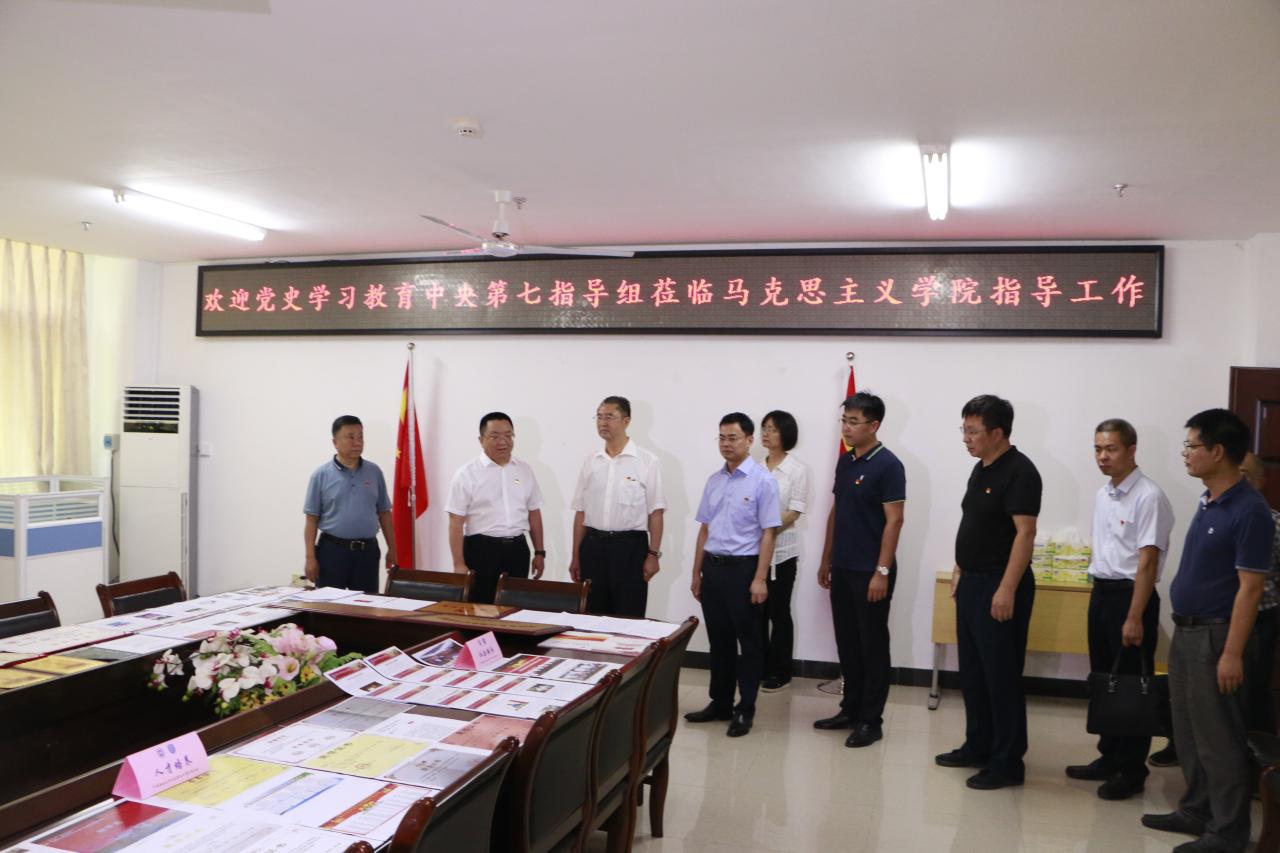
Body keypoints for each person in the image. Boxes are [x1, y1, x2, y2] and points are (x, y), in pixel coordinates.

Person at [1143, 409, 1275, 853]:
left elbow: (1251, 589)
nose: (1185, 453)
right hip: (1188, 632)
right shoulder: (1209, 499)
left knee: (1219, 738)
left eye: (1191, 445)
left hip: (1218, 637)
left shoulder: (1249, 510)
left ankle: (1227, 831)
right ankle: (1196, 809)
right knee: (1188, 732)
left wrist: (1232, 653)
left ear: (1217, 452)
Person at [935, 394, 1041, 790]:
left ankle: (1007, 762)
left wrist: (1007, 588)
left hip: (1000, 584)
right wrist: (960, 567)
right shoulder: (980, 469)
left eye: (973, 431)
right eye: (963, 429)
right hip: (973, 583)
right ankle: (978, 745)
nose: (966, 438)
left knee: (1001, 676)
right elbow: (976, 524)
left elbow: (1024, 535)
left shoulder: (1021, 472)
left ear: (997, 432)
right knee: (974, 673)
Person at [1065, 419, 1174, 800]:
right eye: (1097, 449)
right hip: (1103, 594)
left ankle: (1131, 770)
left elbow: (1147, 561)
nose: (1102, 457)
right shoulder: (1104, 494)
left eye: (1110, 449)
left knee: (1131, 684)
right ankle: (1108, 756)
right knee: (1105, 679)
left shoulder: (1149, 496)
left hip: (1132, 597)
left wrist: (1134, 616)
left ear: (1131, 450)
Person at [813, 392, 906, 747]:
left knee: (872, 646)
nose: (847, 428)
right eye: (844, 420)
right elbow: (837, 511)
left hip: (871, 571)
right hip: (843, 566)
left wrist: (882, 570)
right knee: (848, 643)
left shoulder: (889, 465)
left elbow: (895, 521)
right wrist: (826, 558)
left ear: (874, 425)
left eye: (854, 422)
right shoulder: (846, 462)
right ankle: (850, 709)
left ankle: (871, 720)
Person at [684, 412, 781, 738]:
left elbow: (769, 532)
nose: (726, 444)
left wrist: (760, 578)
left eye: (733, 438)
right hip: (713, 568)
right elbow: (704, 529)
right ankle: (720, 702)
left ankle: (745, 708)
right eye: (722, 438)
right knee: (719, 640)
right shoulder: (714, 480)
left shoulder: (763, 480)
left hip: (744, 570)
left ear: (749, 440)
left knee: (749, 642)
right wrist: (696, 572)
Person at [568, 396, 665, 617]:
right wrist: (576, 555)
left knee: (628, 614)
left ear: (626, 421)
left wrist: (653, 554)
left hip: (629, 549)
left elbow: (656, 512)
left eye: (610, 417)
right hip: (593, 547)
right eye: (599, 417)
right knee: (592, 615)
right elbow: (581, 512)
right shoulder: (591, 461)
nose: (603, 422)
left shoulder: (647, 461)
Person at [444, 412, 547, 604]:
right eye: (495, 436)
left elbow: (534, 512)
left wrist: (539, 552)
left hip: (518, 550)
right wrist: (458, 563)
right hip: (482, 551)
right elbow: (455, 522)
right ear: (481, 440)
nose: (503, 442)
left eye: (508, 435)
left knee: (515, 607)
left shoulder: (524, 469)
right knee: (481, 608)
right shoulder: (466, 474)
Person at [303, 415, 397, 594]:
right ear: (335, 442)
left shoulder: (374, 472)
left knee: (366, 605)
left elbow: (384, 513)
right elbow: (311, 520)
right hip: (332, 551)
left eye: (361, 437)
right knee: (329, 606)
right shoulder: (321, 475)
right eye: (350, 437)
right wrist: (310, 558)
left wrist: (392, 548)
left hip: (367, 552)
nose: (357, 442)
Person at [759, 409, 810, 692]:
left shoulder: (796, 469)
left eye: (773, 429)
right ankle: (759, 665)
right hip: (754, 553)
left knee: (778, 612)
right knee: (756, 612)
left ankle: (780, 671)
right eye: (765, 428)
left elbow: (795, 511)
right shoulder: (754, 468)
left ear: (786, 434)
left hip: (782, 553)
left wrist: (768, 528)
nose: (767, 434)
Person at [1240, 452, 1280, 735]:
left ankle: (1259, 749)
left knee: (1254, 688)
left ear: (1260, 481)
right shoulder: (1215, 512)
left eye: (1244, 474)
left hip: (1261, 618)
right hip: (1220, 617)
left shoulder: (1274, 522)